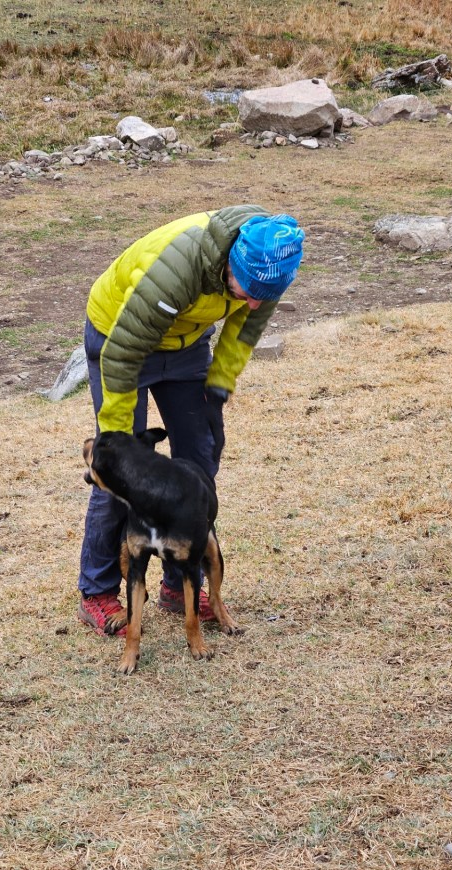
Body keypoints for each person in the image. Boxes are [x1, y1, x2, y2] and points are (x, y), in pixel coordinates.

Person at [77, 204, 305, 636]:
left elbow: (244, 329)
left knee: (199, 461)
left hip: (184, 343)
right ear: (230, 262)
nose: (255, 302)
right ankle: (97, 592)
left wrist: (218, 388)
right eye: (248, 290)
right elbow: (123, 352)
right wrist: (118, 439)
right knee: (119, 471)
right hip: (120, 335)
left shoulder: (270, 263)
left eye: (265, 295)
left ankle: (179, 583)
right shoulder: (178, 267)